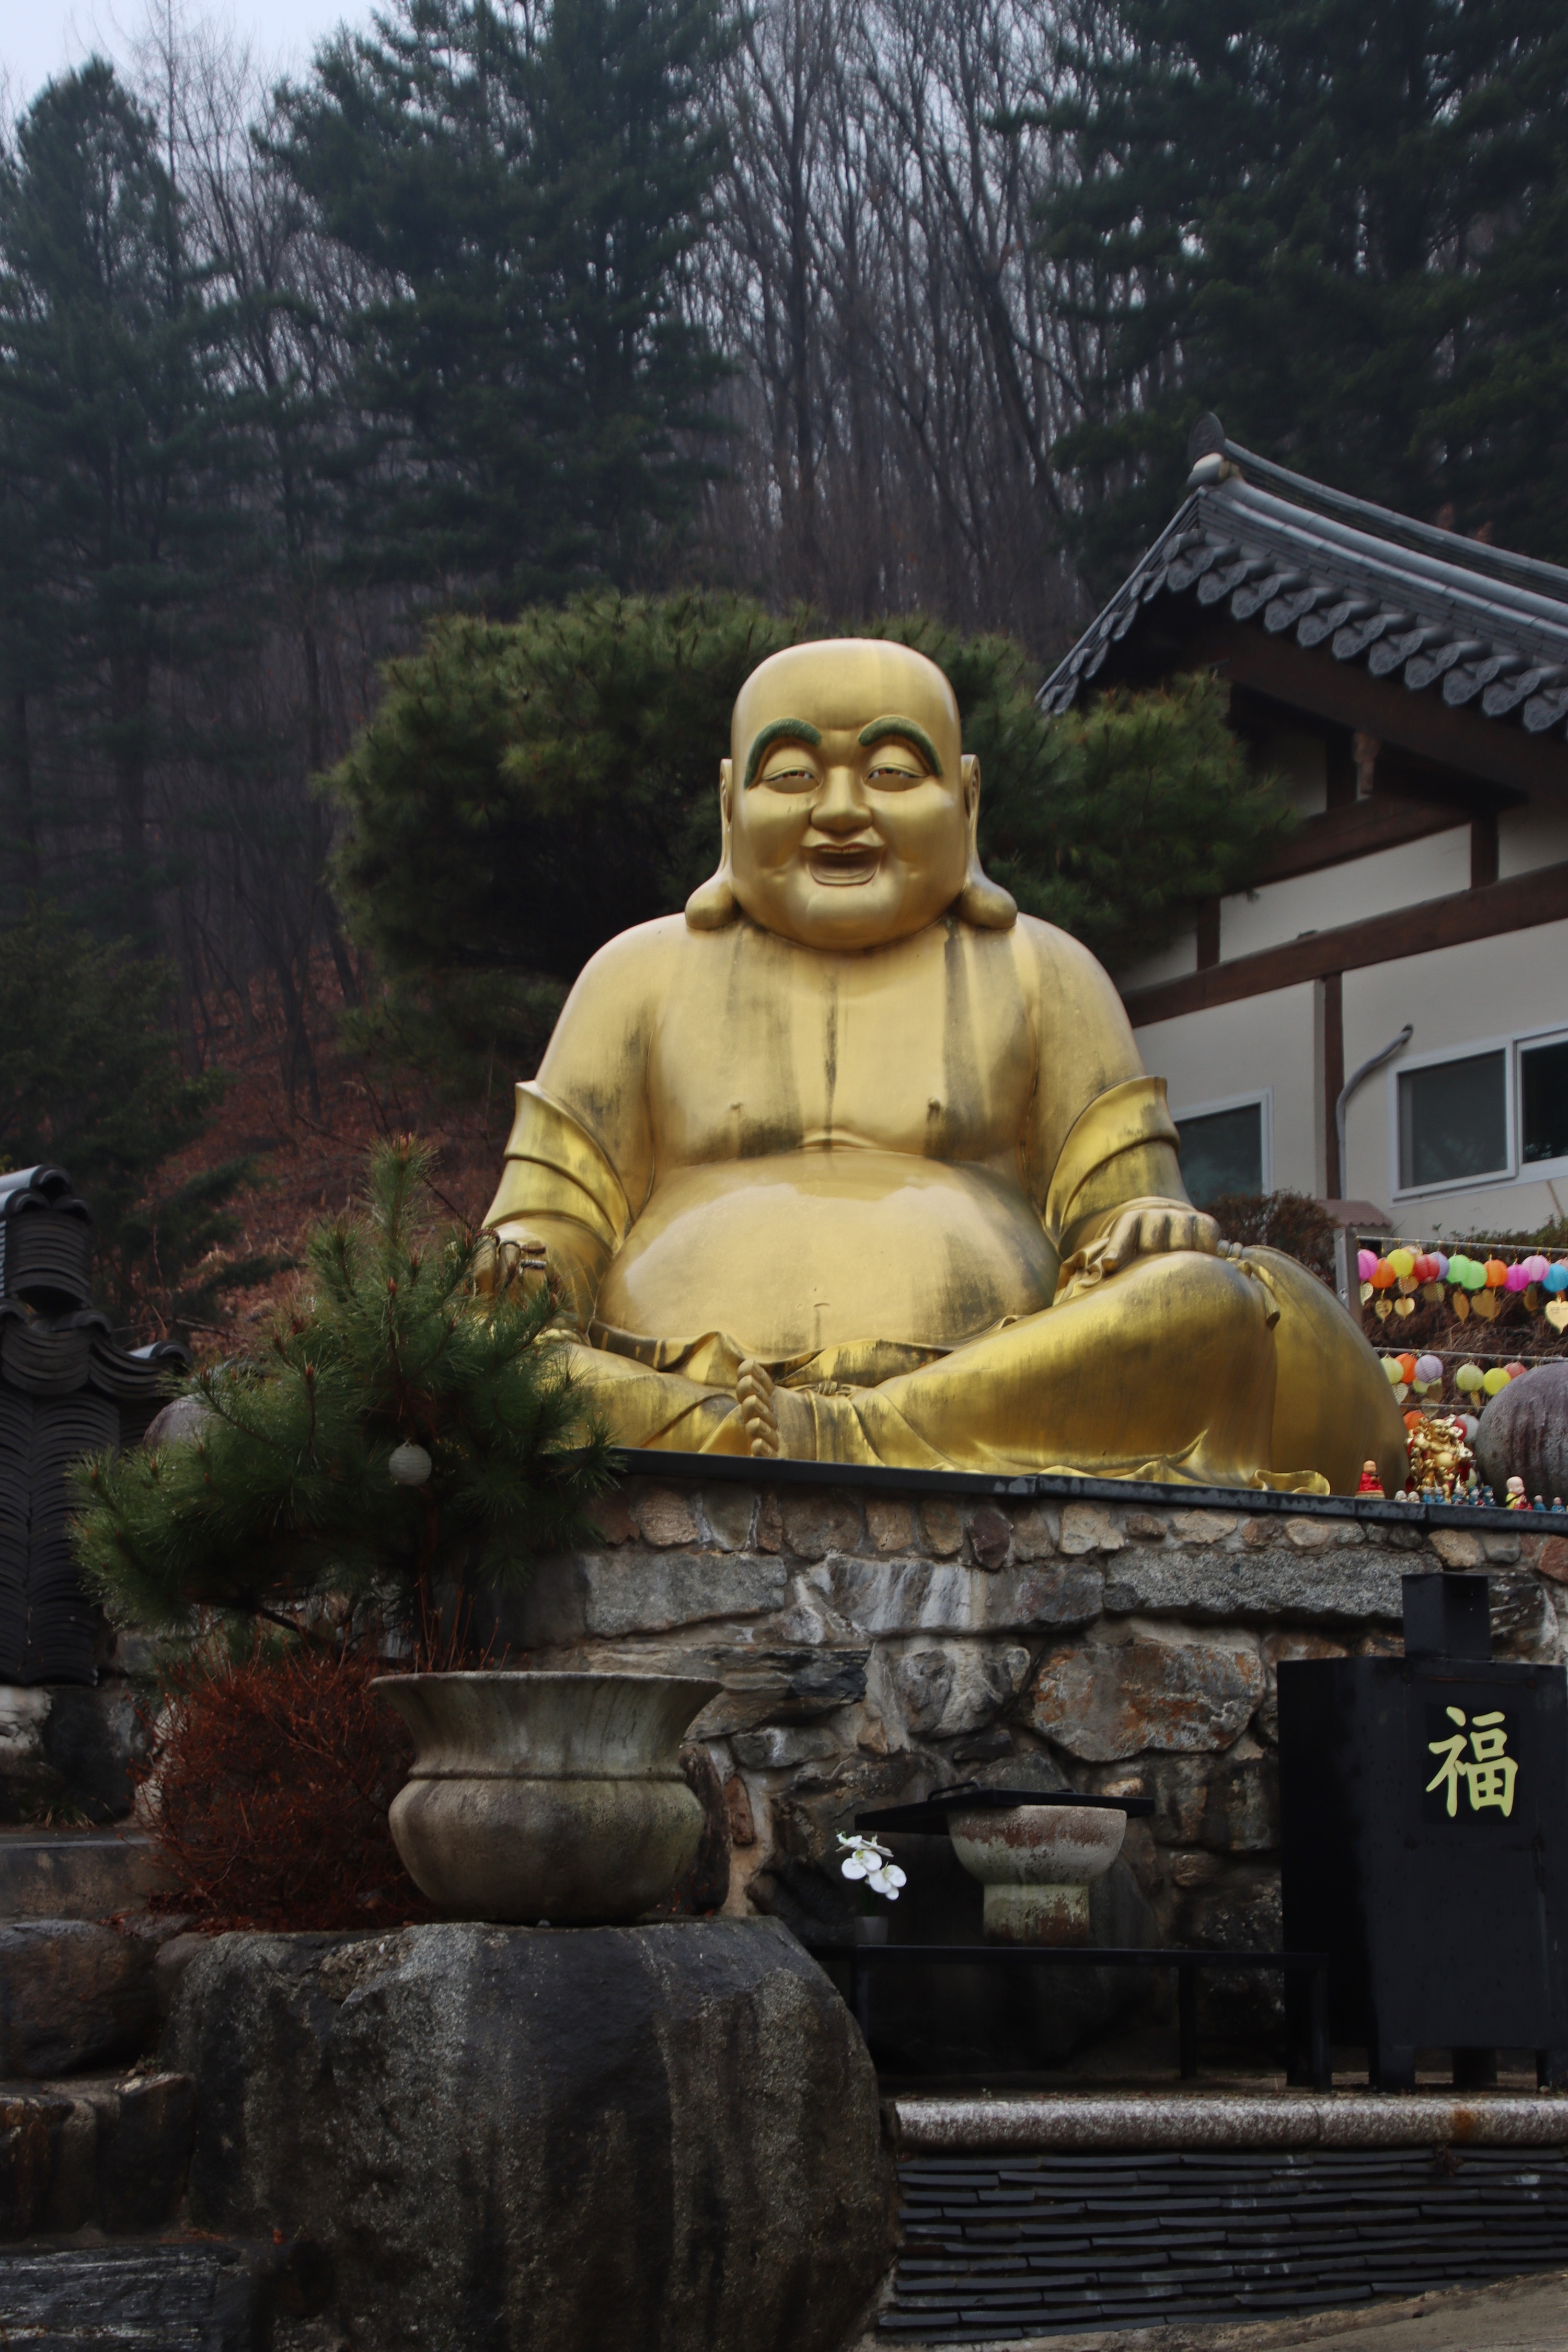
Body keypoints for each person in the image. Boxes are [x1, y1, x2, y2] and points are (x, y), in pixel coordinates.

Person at [480, 639, 1404, 1490]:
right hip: (668, 1371)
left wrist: (1142, 1224)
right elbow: (553, 1219)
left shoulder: (1043, 971)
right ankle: (750, 1429)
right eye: (792, 775)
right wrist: (520, 1266)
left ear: (966, 799)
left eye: (891, 771)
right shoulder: (635, 975)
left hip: (990, 1372)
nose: (841, 811)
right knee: (472, 1345)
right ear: (731, 805)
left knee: (1202, 1305)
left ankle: (834, 1435)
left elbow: (1122, 1216)